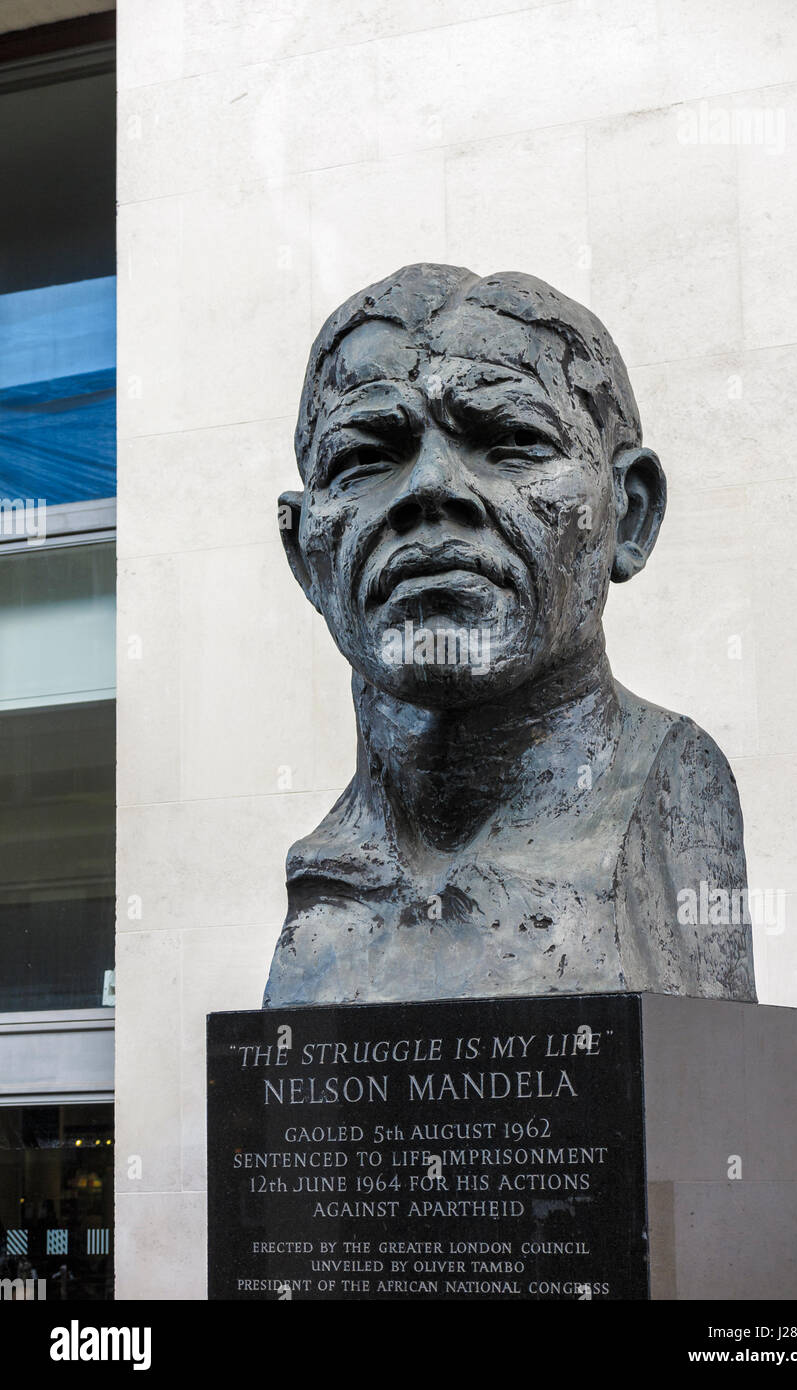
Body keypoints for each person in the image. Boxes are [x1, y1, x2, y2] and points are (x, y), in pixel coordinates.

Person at [264, 264, 755, 1007]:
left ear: (630, 515)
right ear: (305, 554)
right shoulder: (324, 876)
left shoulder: (671, 806)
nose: (431, 488)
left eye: (512, 441)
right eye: (365, 458)